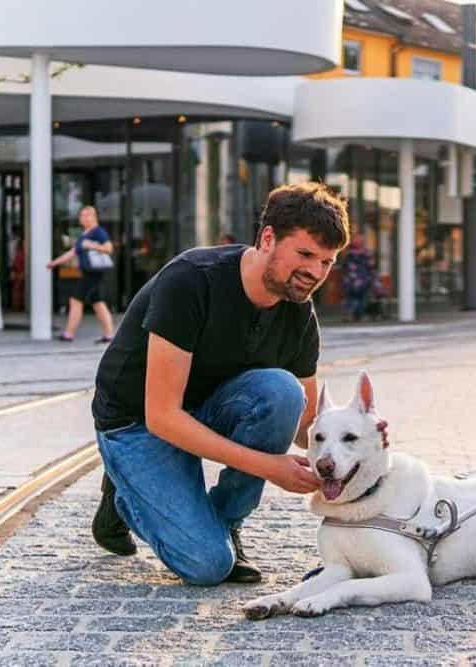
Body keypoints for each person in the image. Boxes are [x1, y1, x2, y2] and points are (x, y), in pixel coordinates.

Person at [90, 182, 350, 586]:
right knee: (206, 565)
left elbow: (306, 428)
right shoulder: (192, 281)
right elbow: (162, 416)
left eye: (327, 262)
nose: (315, 272)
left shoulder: (299, 312)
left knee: (284, 393)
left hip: (206, 407)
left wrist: (359, 441)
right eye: (305, 254)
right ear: (267, 238)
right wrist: (269, 467)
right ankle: (124, 495)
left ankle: (227, 523)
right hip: (137, 419)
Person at [46, 205, 115, 343]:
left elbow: (108, 248)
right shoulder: (84, 234)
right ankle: (109, 335)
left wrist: (91, 245)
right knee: (98, 303)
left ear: (93, 216)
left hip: (94, 274)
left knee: (76, 300)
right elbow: (72, 253)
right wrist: (54, 263)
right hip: (88, 274)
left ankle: (69, 334)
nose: (82, 218)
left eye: (86, 215)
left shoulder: (98, 232)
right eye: (81, 215)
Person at [341, 232, 375, 322]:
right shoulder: (349, 253)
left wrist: (371, 278)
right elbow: (345, 267)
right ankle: (351, 315)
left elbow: (371, 266)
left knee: (360, 298)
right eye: (355, 239)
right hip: (352, 280)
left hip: (362, 280)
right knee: (352, 298)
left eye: (359, 239)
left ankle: (357, 315)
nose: (357, 241)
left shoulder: (365, 253)